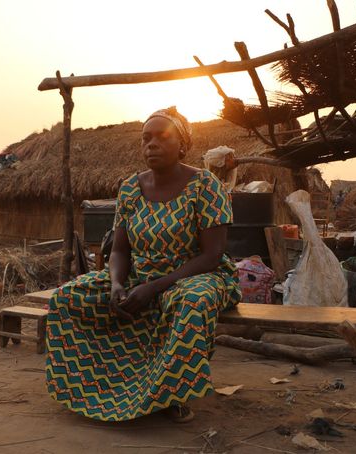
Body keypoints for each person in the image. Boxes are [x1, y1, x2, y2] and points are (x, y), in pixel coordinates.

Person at [46, 107, 241, 423]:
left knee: (191, 301)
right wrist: (119, 283)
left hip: (196, 273)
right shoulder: (130, 189)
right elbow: (120, 250)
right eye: (146, 139)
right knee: (69, 297)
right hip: (141, 275)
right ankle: (103, 385)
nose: (151, 144)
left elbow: (211, 255)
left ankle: (175, 393)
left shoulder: (206, 185)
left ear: (181, 145)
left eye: (162, 137)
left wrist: (152, 288)